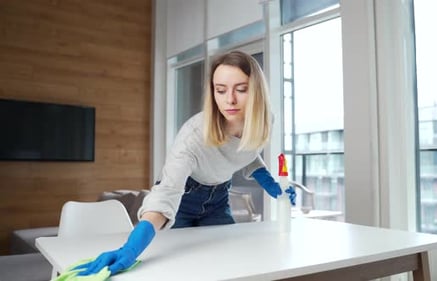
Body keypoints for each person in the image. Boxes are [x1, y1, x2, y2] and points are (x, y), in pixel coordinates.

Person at [75, 50, 296, 276]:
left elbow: (246, 150)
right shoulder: (193, 136)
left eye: (241, 89)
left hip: (218, 198)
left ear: (257, 91)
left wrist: (271, 184)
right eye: (220, 90)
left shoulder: (266, 120)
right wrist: (130, 249)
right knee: (178, 270)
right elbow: (166, 194)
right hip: (183, 197)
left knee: (227, 263)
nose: (229, 99)